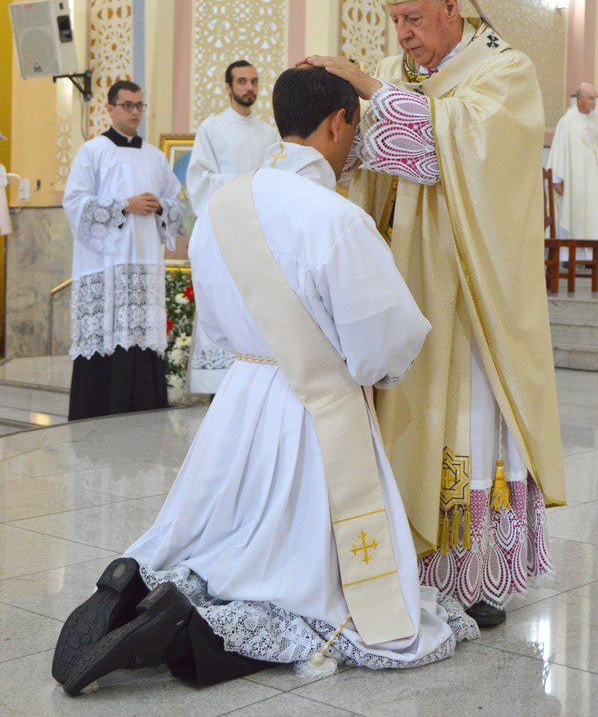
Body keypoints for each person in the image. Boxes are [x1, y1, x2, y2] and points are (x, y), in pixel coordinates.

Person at [52, 66, 478, 697]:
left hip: (240, 400)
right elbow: (382, 344)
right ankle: (197, 632)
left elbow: (216, 326)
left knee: (221, 529)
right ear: (339, 123)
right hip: (315, 410)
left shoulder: (222, 208)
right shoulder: (336, 219)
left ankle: (141, 583)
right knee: (301, 579)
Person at [305, 0, 566, 628]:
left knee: (468, 425)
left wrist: (370, 93)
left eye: (415, 18)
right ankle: (409, 564)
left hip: (473, 296)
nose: (403, 36)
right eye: (395, 21)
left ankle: (472, 576)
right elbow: (373, 161)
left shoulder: (505, 71)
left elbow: (459, 153)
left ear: (452, 6)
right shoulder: (394, 75)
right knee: (409, 423)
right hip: (406, 287)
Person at [63, 80, 184, 420]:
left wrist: (161, 206)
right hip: (108, 263)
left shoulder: (155, 157)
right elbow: (75, 202)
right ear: (110, 109)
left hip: (144, 261)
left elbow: (177, 204)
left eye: (139, 105)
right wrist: (124, 205)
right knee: (107, 339)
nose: (134, 112)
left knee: (141, 340)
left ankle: (143, 414)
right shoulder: (93, 151)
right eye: (127, 105)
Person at [186, 60, 279, 394]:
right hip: (223, 231)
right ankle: (218, 386)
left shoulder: (269, 133)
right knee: (223, 301)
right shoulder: (212, 128)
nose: (249, 87)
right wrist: (247, 183)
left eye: (253, 81)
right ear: (228, 87)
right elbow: (199, 179)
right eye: (241, 81)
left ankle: (255, 380)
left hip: (258, 233)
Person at [547, 82, 598, 259]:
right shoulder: (567, 122)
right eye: (591, 98)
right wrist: (557, 179)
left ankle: (591, 258)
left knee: (592, 217)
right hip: (573, 184)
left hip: (592, 183)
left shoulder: (595, 121)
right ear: (580, 100)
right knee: (573, 215)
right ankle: (569, 257)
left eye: (595, 98)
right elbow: (559, 150)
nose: (594, 102)